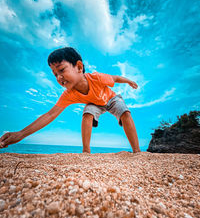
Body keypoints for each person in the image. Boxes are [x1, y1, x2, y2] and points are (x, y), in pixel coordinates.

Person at [0, 47, 141, 153]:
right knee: (87, 114)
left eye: (61, 70)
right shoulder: (69, 94)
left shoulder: (98, 78)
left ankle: (137, 151)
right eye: (55, 74)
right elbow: (50, 115)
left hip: (110, 98)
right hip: (95, 103)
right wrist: (20, 134)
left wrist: (129, 81)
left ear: (79, 67)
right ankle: (86, 151)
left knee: (125, 112)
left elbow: (115, 78)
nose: (58, 78)